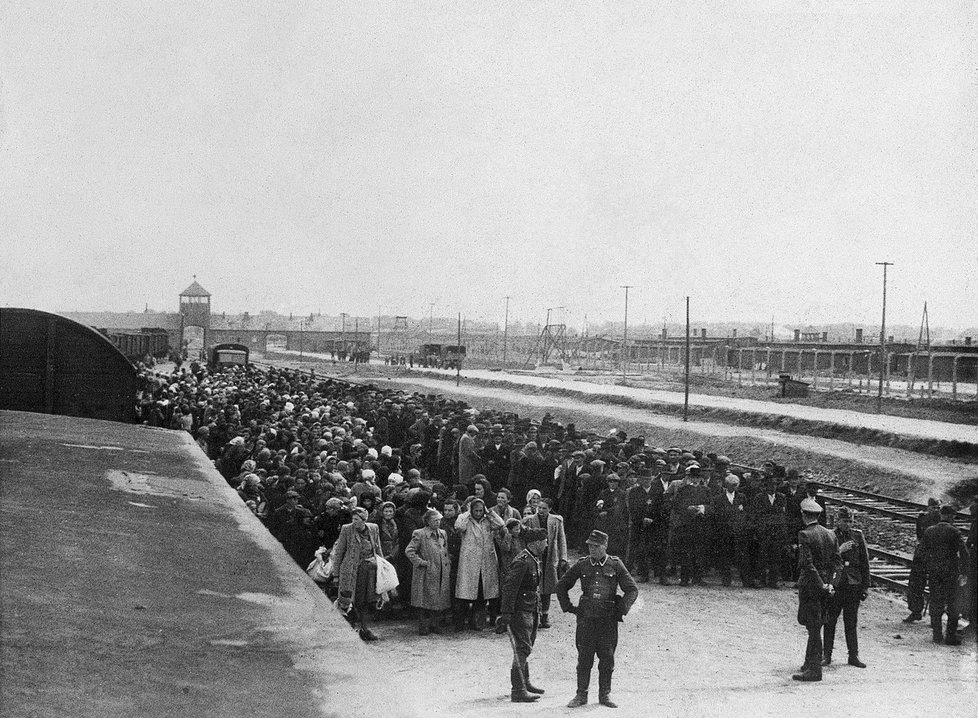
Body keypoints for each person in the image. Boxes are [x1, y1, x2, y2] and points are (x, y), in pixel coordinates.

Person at [556, 530, 638, 708]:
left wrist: (621, 609)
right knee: (584, 658)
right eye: (590, 546)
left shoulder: (615, 565)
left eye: (596, 546)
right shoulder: (582, 564)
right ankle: (581, 694)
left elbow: (632, 589)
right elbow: (561, 586)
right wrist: (569, 608)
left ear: (605, 546)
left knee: (607, 658)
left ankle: (604, 694)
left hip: (607, 620)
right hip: (586, 619)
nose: (592, 549)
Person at [496, 527, 549, 703]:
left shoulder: (533, 559)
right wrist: (506, 613)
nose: (546, 544)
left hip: (531, 608)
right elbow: (509, 588)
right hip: (520, 610)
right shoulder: (522, 561)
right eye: (544, 541)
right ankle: (518, 690)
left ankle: (525, 682)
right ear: (536, 543)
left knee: (527, 645)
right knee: (523, 647)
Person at [792, 499, 842, 682]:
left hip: (811, 586)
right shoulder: (830, 534)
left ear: (804, 515)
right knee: (816, 623)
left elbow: (808, 564)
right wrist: (831, 584)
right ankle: (808, 662)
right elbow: (838, 563)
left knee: (812, 627)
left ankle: (814, 670)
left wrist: (820, 583)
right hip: (826, 587)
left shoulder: (804, 534)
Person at [823, 507, 870, 668]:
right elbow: (824, 560)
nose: (847, 524)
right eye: (844, 521)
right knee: (830, 621)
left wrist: (865, 587)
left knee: (851, 623)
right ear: (838, 521)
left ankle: (853, 655)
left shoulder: (857, 535)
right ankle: (826, 655)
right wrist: (839, 550)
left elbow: (865, 562)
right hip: (836, 585)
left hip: (853, 585)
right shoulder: (830, 535)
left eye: (850, 521)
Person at [331, 507, 384, 641]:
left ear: (364, 520)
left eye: (357, 519)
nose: (354, 522)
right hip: (350, 571)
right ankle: (350, 630)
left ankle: (365, 630)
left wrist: (382, 567)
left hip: (368, 570)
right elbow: (339, 552)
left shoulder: (373, 528)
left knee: (365, 601)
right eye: (353, 519)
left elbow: (378, 549)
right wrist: (336, 574)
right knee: (347, 601)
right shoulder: (346, 529)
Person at [920, 505, 970, 645]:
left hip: (934, 572)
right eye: (953, 516)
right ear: (950, 516)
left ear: (941, 515)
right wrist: (964, 572)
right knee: (953, 604)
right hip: (951, 572)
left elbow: (922, 552)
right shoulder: (955, 532)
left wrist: (928, 566)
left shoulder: (930, 531)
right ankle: (950, 636)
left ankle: (936, 636)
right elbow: (964, 554)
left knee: (936, 602)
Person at [454, 497, 506, 631]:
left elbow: (500, 524)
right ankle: (460, 623)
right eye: (476, 510)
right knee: (465, 594)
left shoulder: (488, 520)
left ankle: (478, 621)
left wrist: (489, 513)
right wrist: (466, 513)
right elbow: (458, 526)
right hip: (469, 562)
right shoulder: (465, 519)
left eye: (480, 510)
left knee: (482, 593)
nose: (478, 513)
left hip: (485, 561)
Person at [405, 509, 453, 635]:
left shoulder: (442, 533)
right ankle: (423, 626)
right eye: (434, 520)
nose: (438, 523)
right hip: (426, 572)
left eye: (439, 520)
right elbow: (409, 551)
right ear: (427, 521)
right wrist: (422, 562)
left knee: (438, 598)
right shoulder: (420, 533)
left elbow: (445, 550)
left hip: (441, 570)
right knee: (424, 599)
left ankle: (434, 624)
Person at [524, 497, 569, 628]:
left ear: (549, 509)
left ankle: (545, 615)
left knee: (547, 586)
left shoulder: (556, 520)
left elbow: (562, 539)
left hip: (550, 556)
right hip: (536, 555)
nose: (541, 511)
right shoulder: (530, 520)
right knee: (534, 585)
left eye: (544, 508)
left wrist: (563, 558)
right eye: (539, 508)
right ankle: (534, 615)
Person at [903, 498, 942, 623]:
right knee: (915, 583)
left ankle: (935, 617)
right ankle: (915, 612)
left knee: (936, 586)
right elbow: (919, 535)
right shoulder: (922, 518)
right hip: (922, 554)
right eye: (933, 508)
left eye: (937, 508)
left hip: (937, 556)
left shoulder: (943, 521)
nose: (935, 510)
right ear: (928, 508)